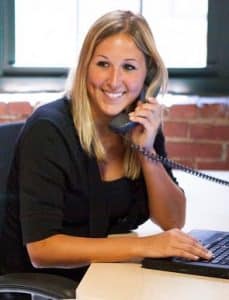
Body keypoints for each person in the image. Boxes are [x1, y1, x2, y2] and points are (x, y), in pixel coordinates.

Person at [0, 9, 212, 287]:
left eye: (129, 67)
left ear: (148, 75)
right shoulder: (48, 130)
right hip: (51, 284)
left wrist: (146, 153)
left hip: (109, 274)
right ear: (85, 66)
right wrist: (145, 247)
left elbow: (172, 221)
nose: (114, 81)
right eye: (102, 64)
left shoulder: (140, 122)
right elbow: (42, 249)